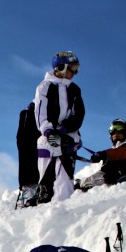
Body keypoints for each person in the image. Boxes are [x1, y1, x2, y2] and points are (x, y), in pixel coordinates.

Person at [31, 52, 86, 203]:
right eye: (72, 68)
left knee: (64, 178)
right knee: (46, 173)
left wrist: (64, 129)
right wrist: (48, 130)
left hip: (68, 134)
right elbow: (40, 112)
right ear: (61, 67)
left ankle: (64, 205)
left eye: (76, 69)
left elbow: (79, 114)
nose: (74, 73)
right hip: (48, 136)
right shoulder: (44, 87)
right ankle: (44, 203)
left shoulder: (74, 89)